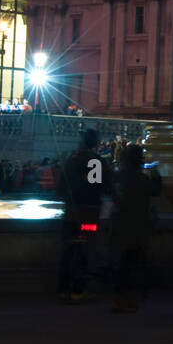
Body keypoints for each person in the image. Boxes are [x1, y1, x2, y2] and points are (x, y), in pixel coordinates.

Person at [56, 128, 106, 302]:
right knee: (86, 249)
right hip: (90, 213)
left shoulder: (71, 160)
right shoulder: (97, 162)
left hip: (72, 212)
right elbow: (99, 186)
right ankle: (78, 290)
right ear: (95, 143)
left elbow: (61, 188)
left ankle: (63, 288)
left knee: (67, 250)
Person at [110, 144, 153, 313]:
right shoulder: (142, 179)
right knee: (127, 264)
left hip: (119, 224)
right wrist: (155, 173)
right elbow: (155, 191)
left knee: (121, 262)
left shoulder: (118, 176)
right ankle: (122, 299)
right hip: (136, 228)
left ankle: (120, 297)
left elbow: (112, 193)